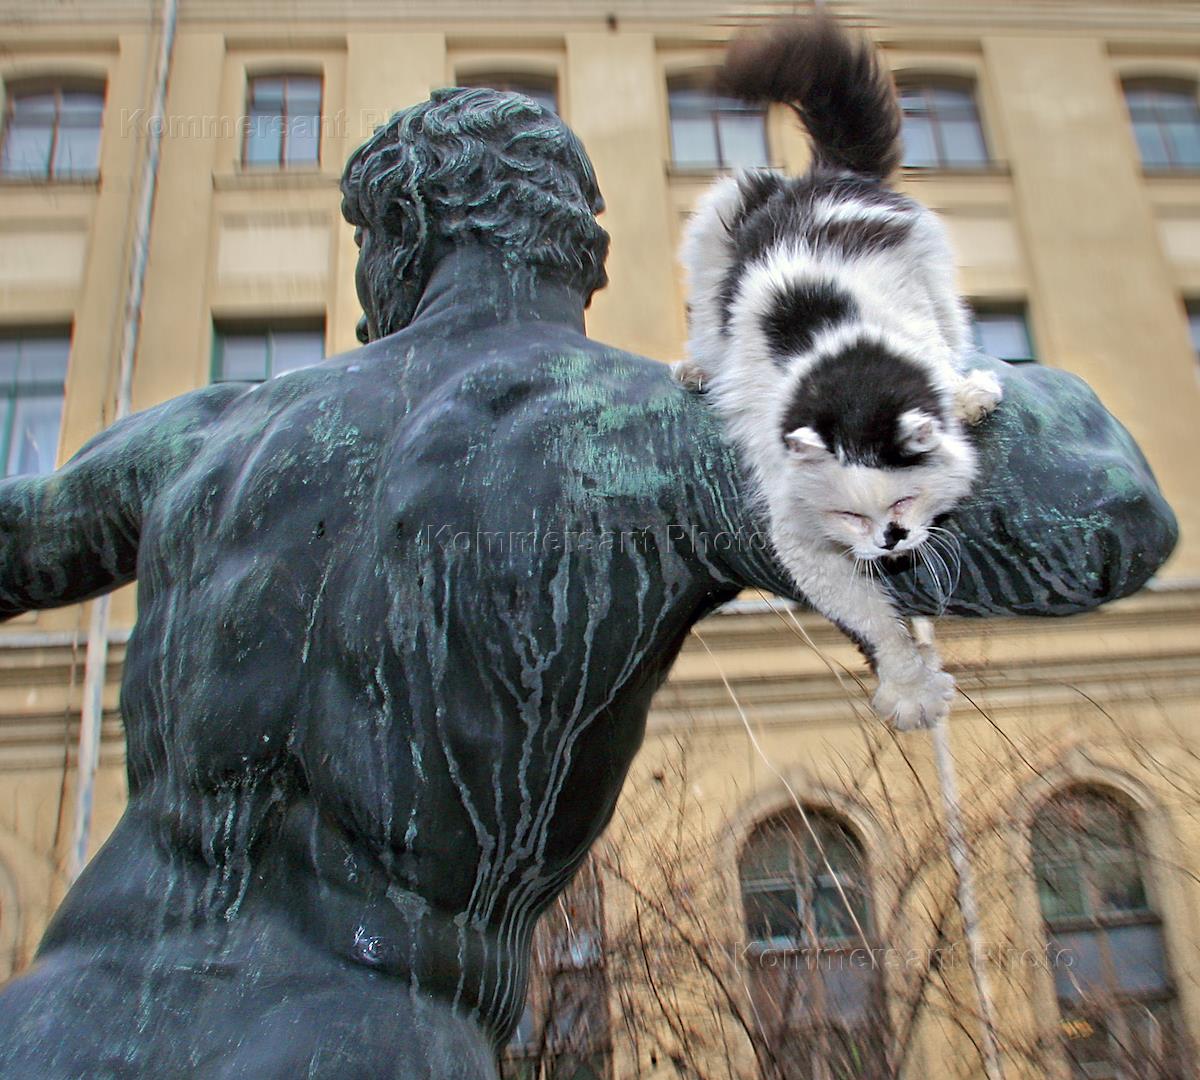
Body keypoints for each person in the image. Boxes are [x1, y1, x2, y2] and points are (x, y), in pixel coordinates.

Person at [0, 88, 1175, 1077]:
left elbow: (22, 539)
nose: (366, 295)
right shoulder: (669, 438)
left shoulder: (206, 435)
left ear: (409, 233)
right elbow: (1102, 515)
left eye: (369, 250)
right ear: (583, 254)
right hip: (357, 1037)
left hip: (52, 1023)